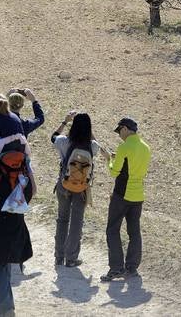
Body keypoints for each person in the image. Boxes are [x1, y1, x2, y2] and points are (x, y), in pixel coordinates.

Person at [0, 131, 35, 315]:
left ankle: (5, 310)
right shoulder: (23, 158)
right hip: (16, 215)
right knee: (6, 261)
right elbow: (33, 190)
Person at [52, 110, 106, 268]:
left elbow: (52, 137)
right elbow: (98, 146)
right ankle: (71, 258)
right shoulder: (92, 146)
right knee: (76, 222)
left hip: (64, 184)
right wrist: (90, 133)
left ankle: (58, 256)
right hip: (82, 188)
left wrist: (65, 121)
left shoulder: (63, 141)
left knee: (62, 219)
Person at [101, 116, 151, 282]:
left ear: (125, 129)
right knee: (134, 232)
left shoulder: (124, 147)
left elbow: (114, 172)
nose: (119, 135)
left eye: (119, 131)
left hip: (122, 194)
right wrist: (118, 158)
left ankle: (116, 268)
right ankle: (132, 268)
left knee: (112, 230)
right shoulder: (146, 147)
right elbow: (133, 166)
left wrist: (109, 159)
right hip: (138, 196)